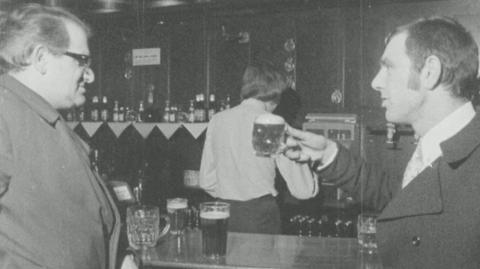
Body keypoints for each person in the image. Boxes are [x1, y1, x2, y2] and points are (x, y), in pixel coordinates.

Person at [283, 17, 480, 268]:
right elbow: (400, 200)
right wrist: (328, 155)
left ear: (429, 72)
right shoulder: (438, 147)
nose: (375, 82)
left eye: (389, 67)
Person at [0, 4, 137, 269]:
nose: (90, 74)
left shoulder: (39, 117)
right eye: (81, 60)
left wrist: (120, 257)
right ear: (41, 58)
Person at [199, 61, 318, 234]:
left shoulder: (218, 119)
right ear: (275, 93)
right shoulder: (270, 123)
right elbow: (303, 190)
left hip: (224, 213)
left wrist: (232, 191)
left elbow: (206, 181)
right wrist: (313, 176)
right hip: (259, 215)